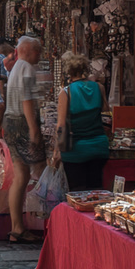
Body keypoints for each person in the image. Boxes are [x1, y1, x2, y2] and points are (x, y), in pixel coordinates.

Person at [3, 36, 49, 243]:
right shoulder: (27, 69)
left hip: (10, 121)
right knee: (41, 170)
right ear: (28, 51)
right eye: (38, 51)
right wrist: (34, 130)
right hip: (22, 123)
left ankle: (17, 227)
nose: (40, 55)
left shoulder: (15, 68)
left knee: (20, 176)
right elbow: (27, 101)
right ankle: (46, 222)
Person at [51, 51, 110, 190]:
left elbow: (61, 125)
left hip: (75, 150)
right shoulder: (99, 88)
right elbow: (107, 117)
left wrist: (56, 150)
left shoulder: (66, 92)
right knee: (96, 188)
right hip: (98, 147)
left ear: (68, 72)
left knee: (77, 192)